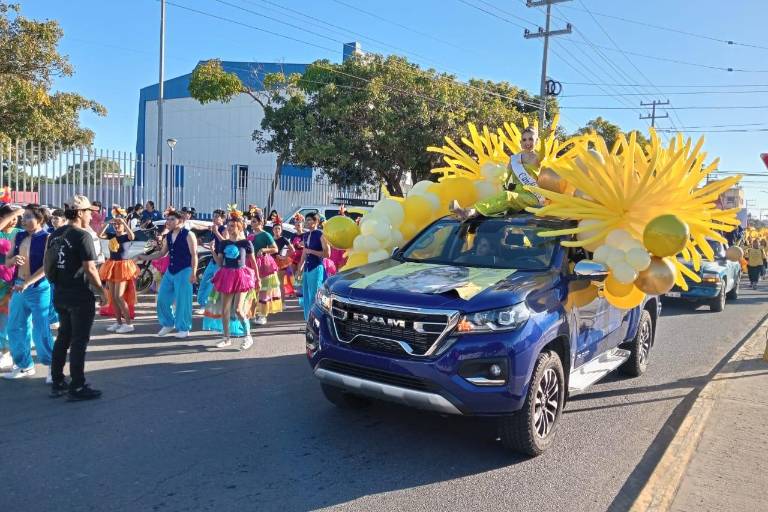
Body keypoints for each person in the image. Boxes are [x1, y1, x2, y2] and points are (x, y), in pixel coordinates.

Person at [47, 195, 107, 400]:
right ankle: (78, 386)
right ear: (80, 213)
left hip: (60, 292)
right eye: (89, 212)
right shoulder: (83, 235)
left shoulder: (56, 234)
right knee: (79, 341)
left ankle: (57, 381)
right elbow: (90, 268)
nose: (91, 215)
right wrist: (102, 291)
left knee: (63, 336)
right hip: (80, 295)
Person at [2, 205, 54, 381]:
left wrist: (27, 283)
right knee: (14, 327)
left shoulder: (47, 237)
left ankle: (52, 366)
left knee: (41, 329)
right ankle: (24, 365)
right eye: (23, 217)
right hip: (18, 287)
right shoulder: (19, 235)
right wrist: (13, 260)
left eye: (28, 217)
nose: (23, 220)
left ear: (39, 220)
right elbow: (8, 262)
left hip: (39, 288)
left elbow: (46, 267)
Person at [138, 210, 197, 338]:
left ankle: (184, 328)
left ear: (180, 221)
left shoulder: (189, 235)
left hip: (185, 270)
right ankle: (168, 323)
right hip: (171, 270)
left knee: (183, 301)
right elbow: (162, 254)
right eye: (167, 219)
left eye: (171, 219)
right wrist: (144, 257)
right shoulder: (169, 236)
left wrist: (194, 272)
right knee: (162, 299)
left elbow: (194, 255)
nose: (168, 222)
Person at [208, 210, 259, 350]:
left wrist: (258, 279)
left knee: (237, 309)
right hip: (226, 275)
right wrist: (212, 250)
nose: (229, 228)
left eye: (232, 226)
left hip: (242, 276)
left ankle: (248, 336)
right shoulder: (223, 244)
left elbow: (253, 262)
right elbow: (219, 262)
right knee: (225, 309)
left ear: (239, 227)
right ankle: (226, 338)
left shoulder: (246, 243)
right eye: (228, 226)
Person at [98, 206, 139, 333]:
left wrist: (124, 223)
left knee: (119, 296)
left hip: (123, 267)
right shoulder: (111, 236)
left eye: (118, 224)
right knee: (113, 297)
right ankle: (118, 322)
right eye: (115, 225)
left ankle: (128, 324)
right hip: (112, 265)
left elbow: (132, 236)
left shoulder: (126, 237)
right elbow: (99, 234)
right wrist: (107, 223)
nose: (116, 226)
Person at [248, 213, 281, 325]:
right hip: (251, 264)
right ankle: (251, 313)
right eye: (251, 221)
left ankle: (262, 315)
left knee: (263, 291)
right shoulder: (250, 235)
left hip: (264, 265)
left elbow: (275, 249)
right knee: (252, 290)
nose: (252, 223)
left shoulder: (266, 235)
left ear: (261, 223)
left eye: (254, 221)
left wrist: (263, 250)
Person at [296, 212, 330, 321]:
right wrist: (299, 269)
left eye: (310, 220)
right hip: (306, 269)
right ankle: (308, 322)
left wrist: (311, 251)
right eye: (306, 220)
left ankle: (316, 321)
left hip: (316, 267)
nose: (307, 222)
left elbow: (327, 254)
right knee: (306, 296)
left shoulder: (320, 234)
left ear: (316, 222)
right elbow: (304, 254)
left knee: (314, 297)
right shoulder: (305, 235)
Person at [0, 205, 21, 371]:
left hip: (11, 279)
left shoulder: (19, 233)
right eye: (10, 217)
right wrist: (14, 212)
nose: (14, 220)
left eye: (16, 217)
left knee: (7, 317)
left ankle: (6, 352)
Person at [196, 209, 227, 313]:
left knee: (211, 284)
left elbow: (225, 242)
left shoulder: (224, 229)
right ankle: (202, 303)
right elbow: (213, 246)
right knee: (204, 281)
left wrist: (216, 232)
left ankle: (206, 306)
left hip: (220, 261)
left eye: (216, 217)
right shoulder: (214, 230)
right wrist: (202, 245)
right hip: (212, 260)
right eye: (213, 216)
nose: (214, 218)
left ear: (223, 219)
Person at [272, 223, 295, 299]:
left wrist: (284, 257)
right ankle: (274, 301)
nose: (277, 230)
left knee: (280, 283)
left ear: (281, 230)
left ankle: (283, 302)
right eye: (275, 228)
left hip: (280, 262)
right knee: (272, 283)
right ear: (273, 230)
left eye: (279, 229)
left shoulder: (283, 239)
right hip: (271, 262)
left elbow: (292, 250)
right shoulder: (270, 239)